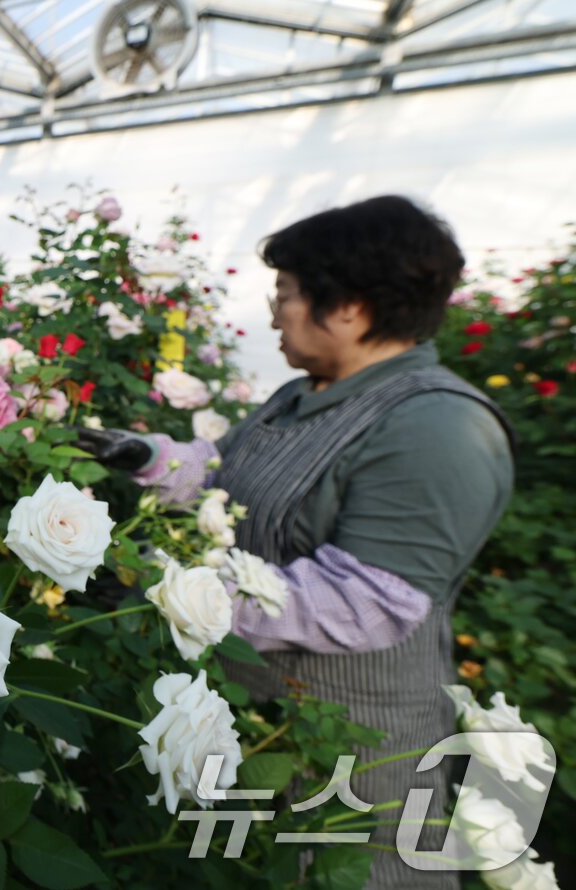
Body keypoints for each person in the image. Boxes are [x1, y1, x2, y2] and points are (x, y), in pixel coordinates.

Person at [80, 195, 514, 890]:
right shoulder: (304, 395)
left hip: (353, 750)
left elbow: (362, 601)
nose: (275, 314)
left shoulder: (435, 428)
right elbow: (228, 475)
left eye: (284, 294)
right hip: (262, 721)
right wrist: (151, 457)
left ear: (347, 307)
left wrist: (166, 586)